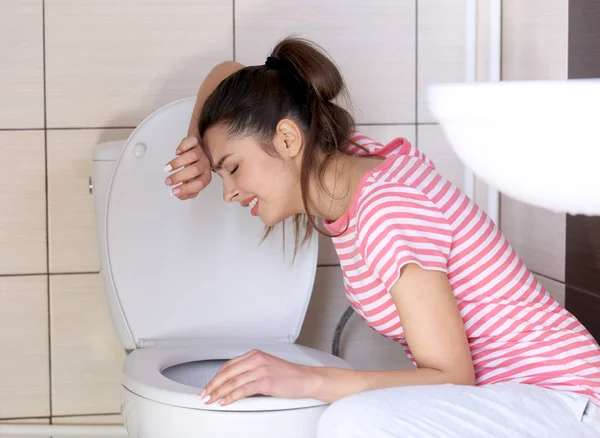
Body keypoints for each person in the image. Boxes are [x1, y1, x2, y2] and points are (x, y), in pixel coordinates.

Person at [163, 37, 600, 437]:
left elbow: (452, 376)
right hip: (515, 401)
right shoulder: (346, 162)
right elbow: (229, 75)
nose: (228, 192)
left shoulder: (387, 209)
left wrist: (304, 379)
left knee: (350, 419)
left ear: (288, 137)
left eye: (234, 168)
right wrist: (199, 148)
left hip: (567, 403)